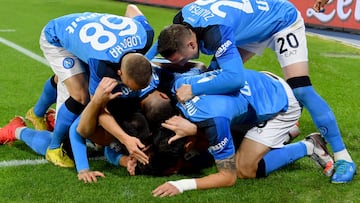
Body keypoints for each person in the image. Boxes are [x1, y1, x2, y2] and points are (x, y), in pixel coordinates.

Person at [147, 0, 355, 183]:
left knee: (301, 88)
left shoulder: (215, 33)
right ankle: (270, 130)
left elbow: (235, 79)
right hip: (248, 27)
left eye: (183, 58)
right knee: (214, 80)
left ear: (191, 43)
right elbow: (158, 48)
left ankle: (343, 157)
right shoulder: (179, 24)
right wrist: (139, 65)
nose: (184, 63)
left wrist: (193, 87)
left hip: (280, 21)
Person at [146, 67, 334, 197]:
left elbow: (228, 177)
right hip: (259, 82)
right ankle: (281, 135)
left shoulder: (214, 122)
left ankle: (308, 146)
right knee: (216, 142)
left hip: (283, 103)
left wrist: (181, 185)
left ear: (188, 143)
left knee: (243, 167)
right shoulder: (179, 87)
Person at [26, 4, 154, 168]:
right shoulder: (101, 64)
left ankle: (37, 113)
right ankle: (55, 147)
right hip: (56, 36)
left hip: (83, 28)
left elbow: (131, 8)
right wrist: (124, 138)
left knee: (69, 77)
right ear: (119, 73)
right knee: (81, 95)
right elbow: (96, 107)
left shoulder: (146, 34)